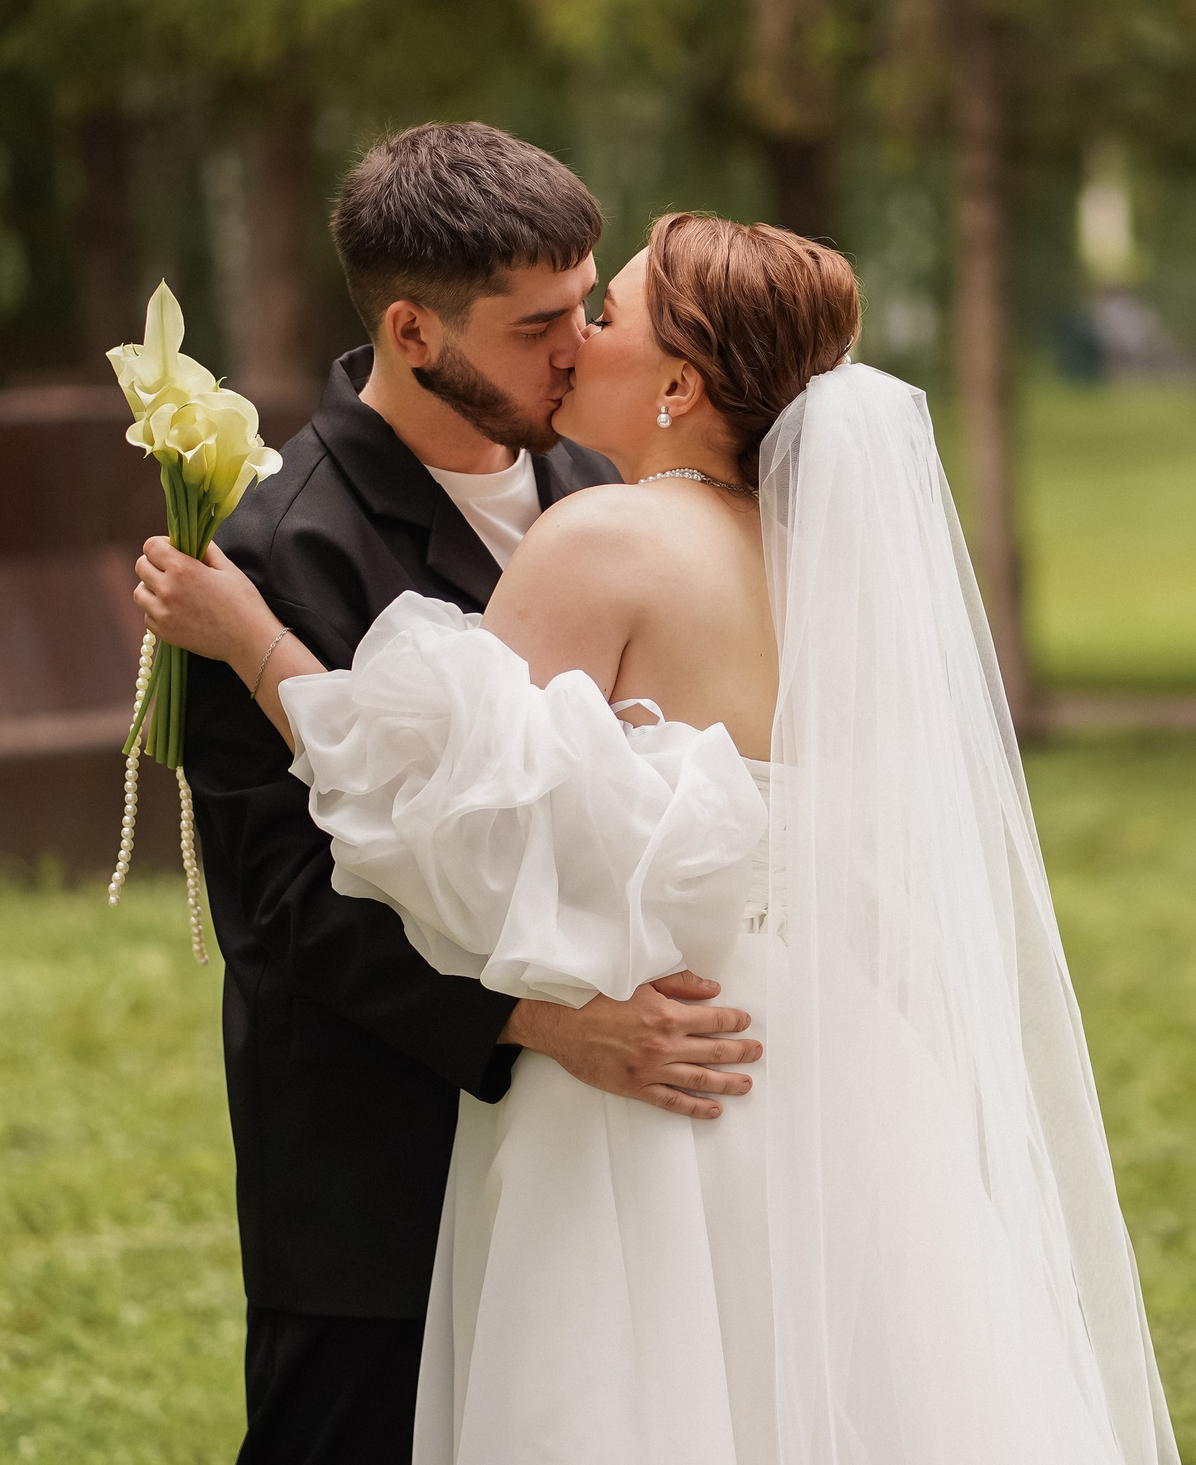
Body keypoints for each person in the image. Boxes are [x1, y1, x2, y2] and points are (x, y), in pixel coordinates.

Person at [141, 214, 1178, 1462]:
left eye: (608, 315)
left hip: (645, 1072)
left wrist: (253, 640)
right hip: (828, 1063)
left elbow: (435, 827)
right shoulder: (810, 562)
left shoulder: (603, 537)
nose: (578, 340)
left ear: (680, 383)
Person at [179, 126, 766, 1465]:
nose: (580, 347)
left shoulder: (604, 483)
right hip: (378, 1167)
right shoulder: (273, 547)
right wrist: (545, 1026)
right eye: (538, 324)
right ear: (413, 329)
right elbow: (284, 902)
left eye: (587, 305)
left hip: (606, 1166)